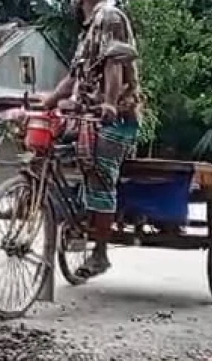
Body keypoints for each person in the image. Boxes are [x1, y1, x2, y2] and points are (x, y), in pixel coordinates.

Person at [40, 0, 142, 279]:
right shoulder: (86, 32)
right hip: (85, 114)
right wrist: (47, 102)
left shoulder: (109, 16)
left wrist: (110, 103)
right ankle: (72, 218)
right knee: (47, 145)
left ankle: (100, 253)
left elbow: (114, 65)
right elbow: (72, 79)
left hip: (117, 117)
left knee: (100, 172)